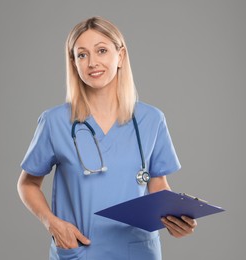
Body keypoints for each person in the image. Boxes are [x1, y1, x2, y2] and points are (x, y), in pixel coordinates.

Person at [17, 16, 197, 260]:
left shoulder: (151, 119)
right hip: (80, 250)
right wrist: (52, 223)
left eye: (101, 51)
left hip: (138, 251)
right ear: (73, 62)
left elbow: (157, 184)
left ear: (120, 55)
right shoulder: (55, 122)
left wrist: (175, 220)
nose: (92, 62)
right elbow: (27, 184)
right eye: (82, 55)